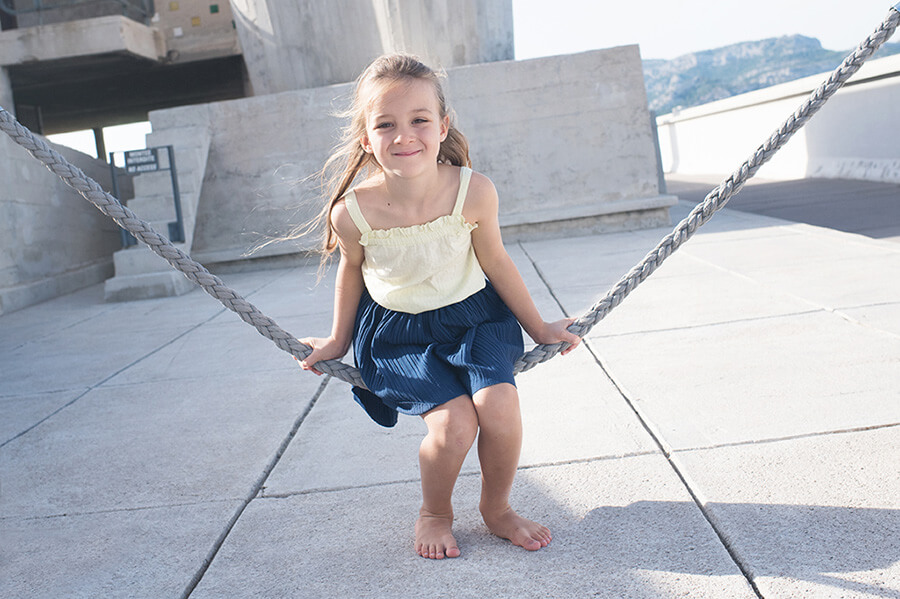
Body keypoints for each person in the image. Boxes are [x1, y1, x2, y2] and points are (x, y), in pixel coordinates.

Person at [298, 53, 582, 560]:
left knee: (499, 407)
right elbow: (351, 272)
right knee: (453, 427)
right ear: (367, 138)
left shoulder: (473, 191)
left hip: (476, 318)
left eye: (419, 120)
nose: (404, 135)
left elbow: (495, 260)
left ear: (442, 125)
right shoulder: (353, 212)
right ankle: (435, 512)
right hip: (397, 334)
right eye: (386, 124)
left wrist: (538, 326)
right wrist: (338, 340)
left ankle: (497, 508)